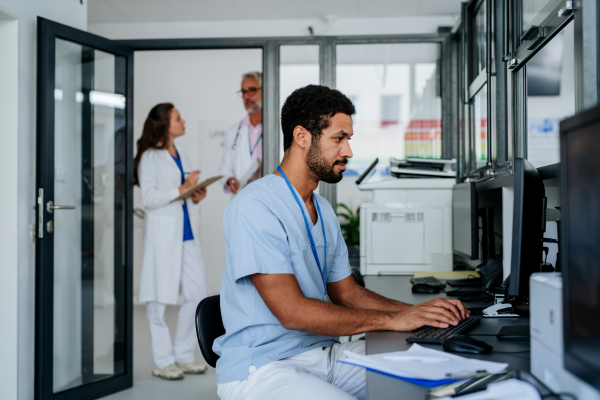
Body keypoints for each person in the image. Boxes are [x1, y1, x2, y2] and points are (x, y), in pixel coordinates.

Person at [213, 85, 470, 400]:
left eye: (348, 140)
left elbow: (347, 293)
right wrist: (393, 319)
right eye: (339, 138)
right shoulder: (255, 205)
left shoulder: (323, 209)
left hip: (323, 354)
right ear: (302, 137)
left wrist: (418, 311)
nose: (348, 151)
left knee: (437, 371)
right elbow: (293, 313)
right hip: (264, 367)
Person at [134, 103, 210, 380]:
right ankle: (163, 361)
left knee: (197, 293)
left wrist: (195, 194)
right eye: (178, 118)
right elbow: (151, 199)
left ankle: (183, 355)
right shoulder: (149, 158)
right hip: (163, 237)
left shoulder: (182, 153)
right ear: (166, 125)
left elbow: (185, 195)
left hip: (187, 235)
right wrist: (182, 188)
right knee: (157, 300)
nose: (183, 121)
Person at [218, 71, 263, 195]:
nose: (246, 97)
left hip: (271, 198)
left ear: (266, 90)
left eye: (252, 90)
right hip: (244, 199)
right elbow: (224, 170)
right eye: (243, 92)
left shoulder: (277, 129)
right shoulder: (233, 132)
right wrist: (229, 180)